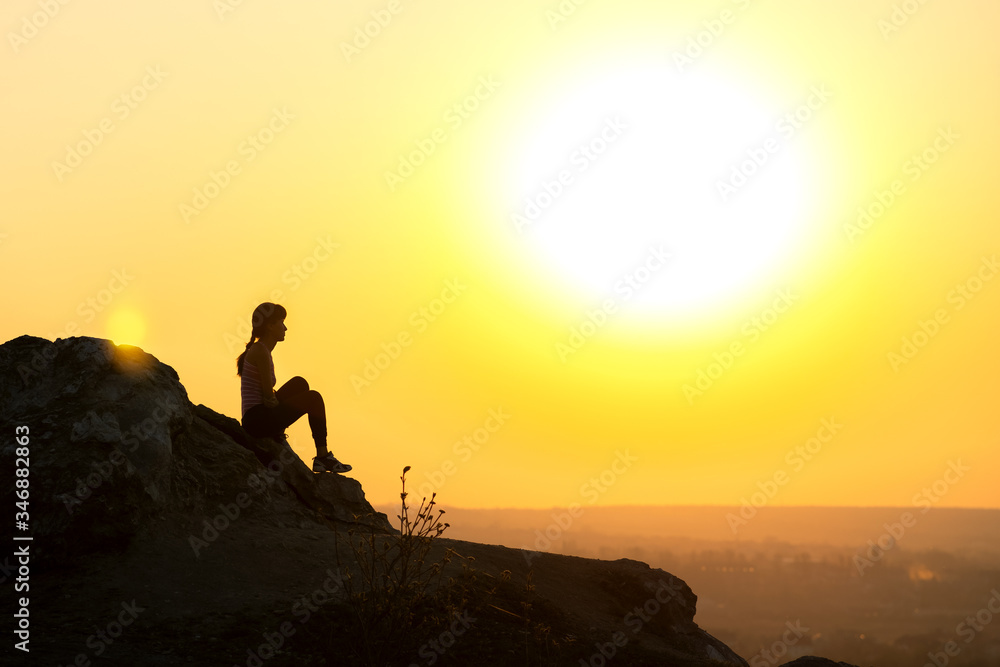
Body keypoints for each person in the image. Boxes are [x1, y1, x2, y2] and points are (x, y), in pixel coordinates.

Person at [236, 302, 352, 474]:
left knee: (300, 383)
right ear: (270, 326)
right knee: (314, 398)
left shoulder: (262, 350)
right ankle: (322, 456)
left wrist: (278, 403)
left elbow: (268, 396)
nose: (285, 328)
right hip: (256, 421)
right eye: (281, 322)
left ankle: (279, 434)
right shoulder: (260, 351)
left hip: (259, 416)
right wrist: (279, 404)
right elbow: (268, 396)